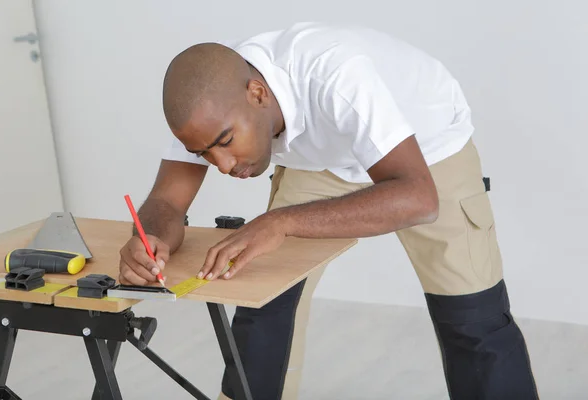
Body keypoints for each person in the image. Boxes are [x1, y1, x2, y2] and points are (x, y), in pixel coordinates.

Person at [118, 22, 538, 400]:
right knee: (263, 300)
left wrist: (281, 222)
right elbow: (167, 203)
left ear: (259, 94)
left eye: (226, 142)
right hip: (319, 161)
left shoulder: (336, 75)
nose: (223, 166)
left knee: (472, 319)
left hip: (426, 156)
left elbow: (418, 198)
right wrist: (149, 237)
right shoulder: (205, 105)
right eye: (204, 153)